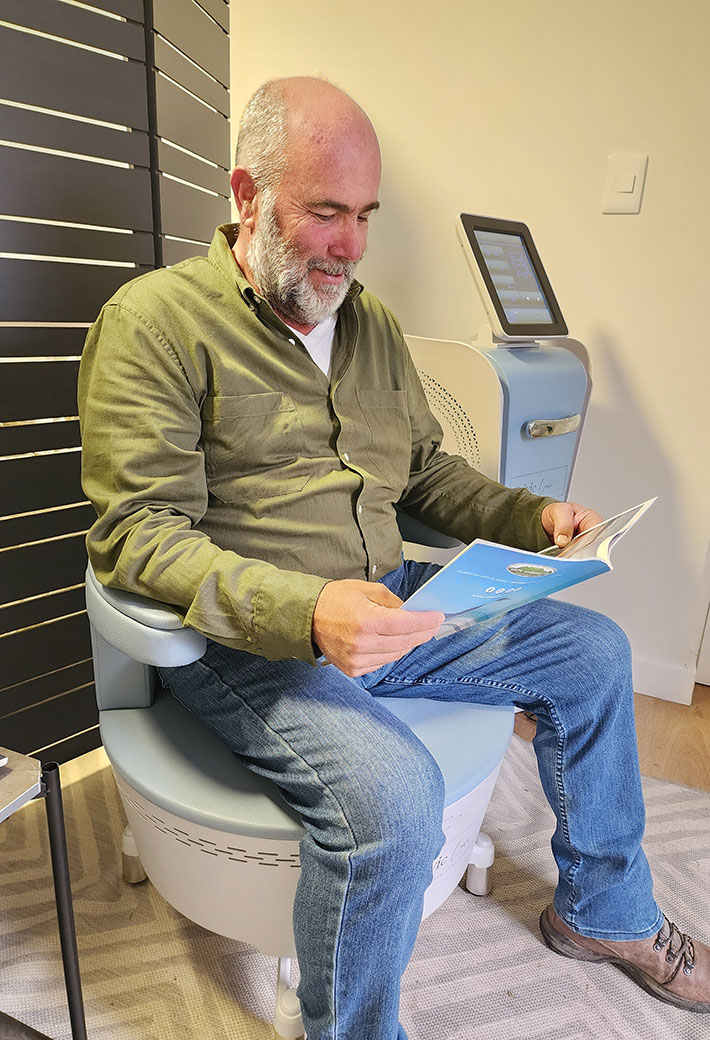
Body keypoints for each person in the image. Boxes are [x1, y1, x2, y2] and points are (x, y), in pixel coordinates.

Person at [78, 77, 709, 1037]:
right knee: (397, 801)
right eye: (326, 212)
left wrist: (534, 519)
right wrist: (309, 613)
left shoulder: (367, 324)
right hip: (253, 644)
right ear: (247, 194)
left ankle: (601, 913)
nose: (350, 244)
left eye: (365, 214)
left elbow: (422, 472)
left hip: (394, 598)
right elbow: (139, 535)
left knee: (594, 654)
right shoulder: (153, 325)